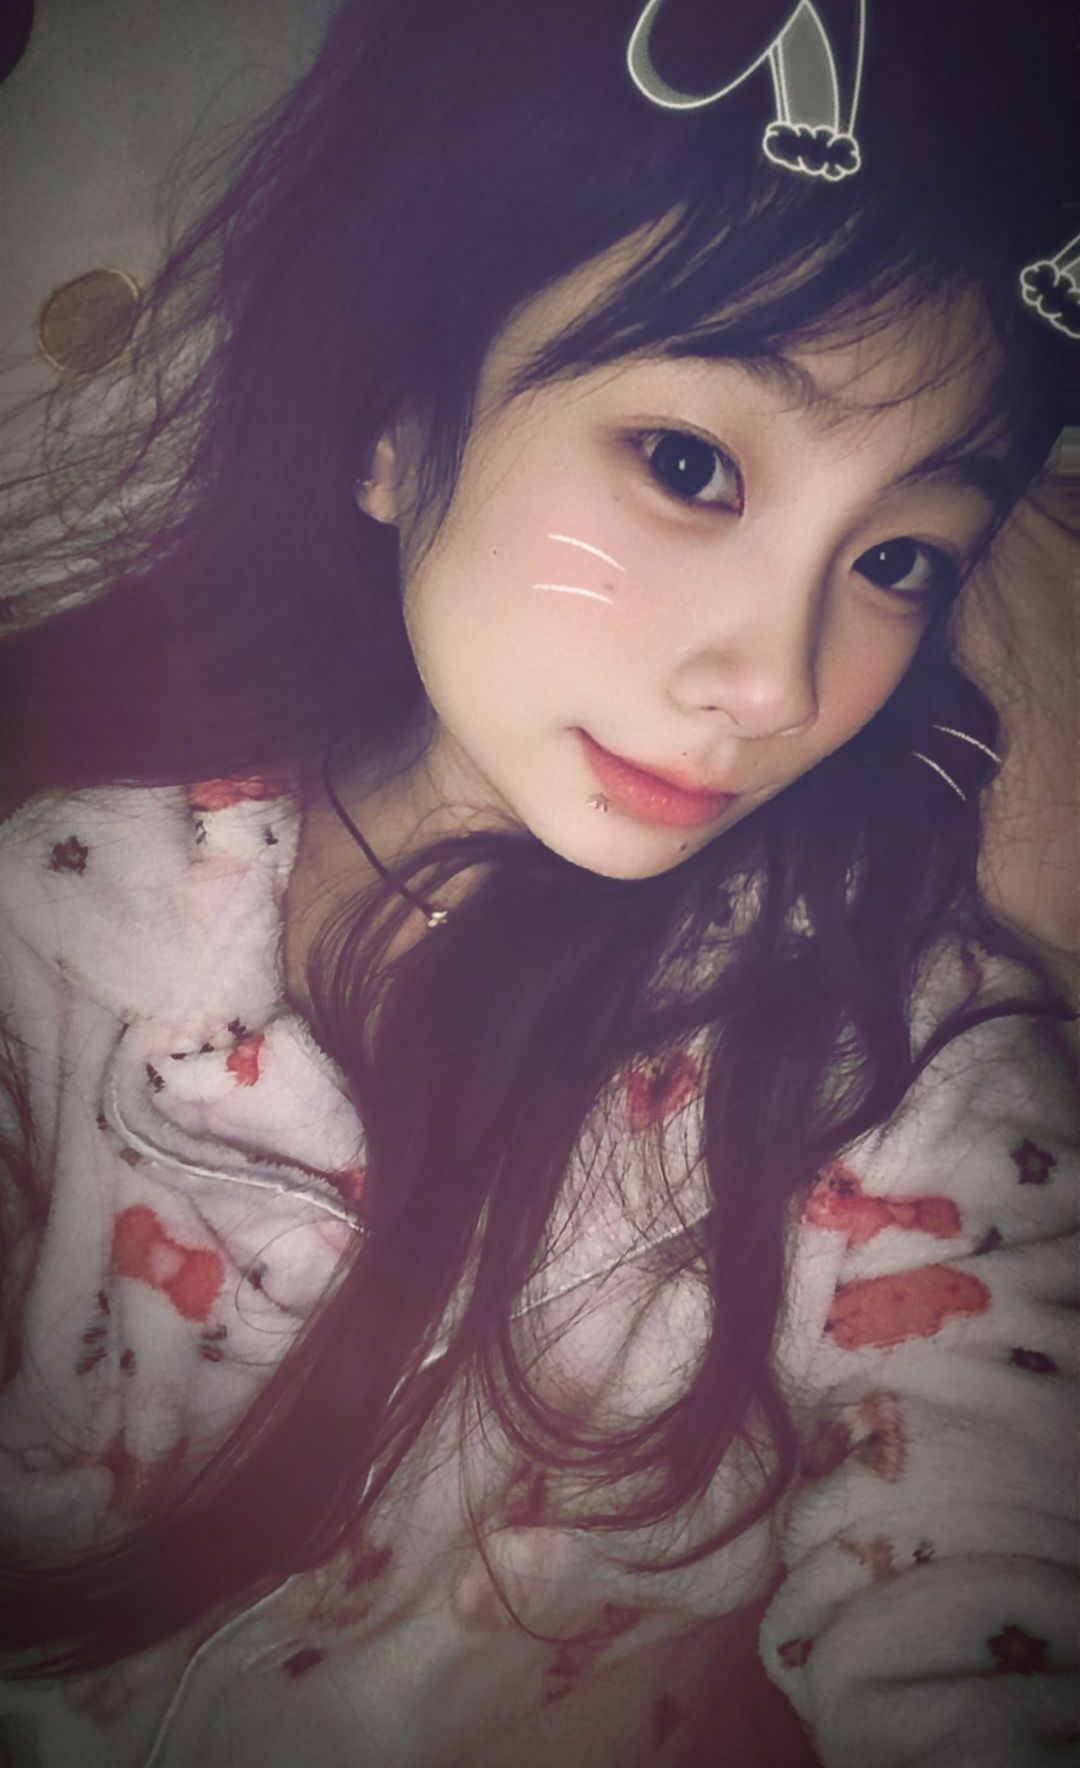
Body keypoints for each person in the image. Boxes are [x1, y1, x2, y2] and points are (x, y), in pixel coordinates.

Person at [0, 1, 1076, 1763]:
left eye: (898, 559)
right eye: (690, 466)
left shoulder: (898, 1058)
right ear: (394, 417)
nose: (779, 684)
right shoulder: (63, 894)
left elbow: (994, 1566)